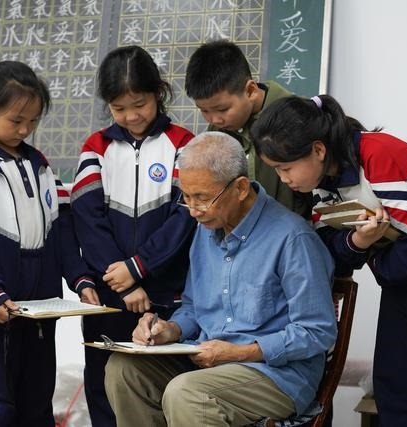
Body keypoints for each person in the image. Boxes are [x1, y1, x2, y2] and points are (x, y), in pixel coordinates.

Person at [251, 94, 407, 426]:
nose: (283, 179)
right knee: (394, 386)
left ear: (318, 150)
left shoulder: (380, 155)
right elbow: (330, 253)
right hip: (404, 274)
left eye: (285, 168)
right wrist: (360, 241)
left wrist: (375, 261)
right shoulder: (322, 181)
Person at [103, 131, 337, 427]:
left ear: (240, 188)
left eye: (202, 198)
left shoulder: (293, 238)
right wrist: (169, 330)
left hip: (276, 374)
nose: (193, 211)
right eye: (186, 198)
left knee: (187, 393)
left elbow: (316, 331)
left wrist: (240, 353)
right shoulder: (206, 230)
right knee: (124, 369)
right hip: (208, 362)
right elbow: (193, 307)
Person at [0, 60, 100, 426]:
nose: (25, 129)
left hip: (39, 314)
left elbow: (62, 231)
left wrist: (80, 278)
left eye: (32, 121)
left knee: (37, 407)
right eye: (16, 120)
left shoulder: (40, 164)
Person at [71, 45, 197, 426]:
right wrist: (123, 280)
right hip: (110, 298)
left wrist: (139, 267)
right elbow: (88, 220)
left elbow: (184, 217)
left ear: (159, 92)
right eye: (119, 108)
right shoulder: (95, 148)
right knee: (103, 388)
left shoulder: (184, 144)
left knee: (164, 391)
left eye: (139, 104)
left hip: (167, 296)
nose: (131, 116)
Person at [184, 39, 311, 218]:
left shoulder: (296, 117)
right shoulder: (218, 130)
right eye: (204, 111)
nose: (215, 119)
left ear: (251, 90)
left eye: (222, 109)